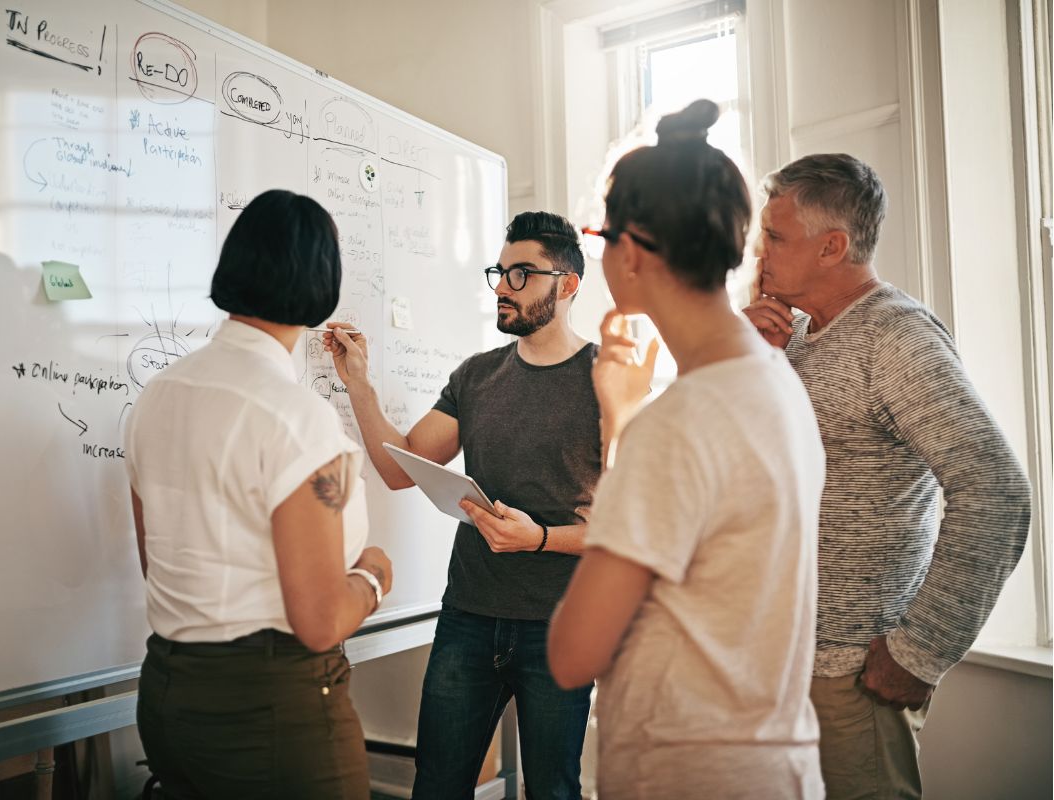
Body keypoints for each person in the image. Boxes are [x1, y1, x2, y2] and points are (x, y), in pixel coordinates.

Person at [546, 99, 826, 799]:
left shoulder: (680, 424)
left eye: (598, 237)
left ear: (632, 252)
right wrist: (624, 414)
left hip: (689, 769)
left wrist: (624, 428)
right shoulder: (777, 382)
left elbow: (573, 654)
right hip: (775, 761)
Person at [743, 152, 1031, 799]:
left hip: (853, 675)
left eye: (777, 237)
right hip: (785, 662)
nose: (760, 252)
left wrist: (920, 649)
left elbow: (997, 493)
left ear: (833, 246)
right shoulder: (790, 338)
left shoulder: (895, 336)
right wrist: (749, 364)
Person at [124, 189, 392, 798]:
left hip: (167, 696)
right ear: (322, 284)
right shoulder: (300, 419)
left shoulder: (156, 397)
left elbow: (154, 562)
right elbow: (321, 621)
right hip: (271, 712)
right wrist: (375, 575)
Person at [324, 211, 599, 799]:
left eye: (522, 274)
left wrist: (542, 539)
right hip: (468, 618)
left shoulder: (608, 379)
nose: (502, 286)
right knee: (438, 787)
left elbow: (635, 526)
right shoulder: (476, 377)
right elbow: (403, 468)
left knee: (552, 791)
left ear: (568, 285)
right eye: (500, 272)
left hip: (561, 625)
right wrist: (360, 386)